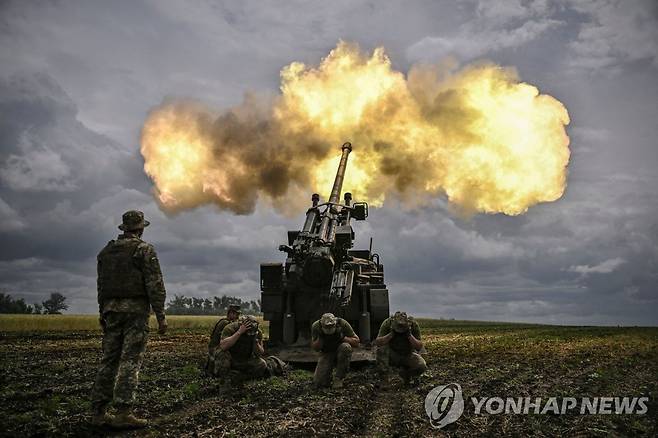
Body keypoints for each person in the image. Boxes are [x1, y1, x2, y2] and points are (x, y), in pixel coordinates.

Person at [91, 210, 167, 429]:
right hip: (135, 312)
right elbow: (155, 285)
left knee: (108, 361)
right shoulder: (144, 250)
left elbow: (101, 286)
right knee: (130, 360)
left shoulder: (105, 252)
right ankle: (123, 412)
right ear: (141, 228)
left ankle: (98, 412)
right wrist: (161, 317)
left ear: (124, 228)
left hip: (110, 311)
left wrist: (101, 313)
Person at [375, 311, 427, 386]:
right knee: (381, 350)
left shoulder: (413, 325)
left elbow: (419, 347)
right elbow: (378, 342)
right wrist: (391, 334)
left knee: (421, 365)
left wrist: (409, 335)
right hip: (392, 354)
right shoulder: (388, 323)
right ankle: (384, 380)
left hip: (407, 354)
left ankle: (407, 375)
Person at [311, 313, 360, 389]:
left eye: (331, 327)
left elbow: (356, 342)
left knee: (346, 347)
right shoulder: (316, 326)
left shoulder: (342, 323)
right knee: (319, 383)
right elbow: (316, 348)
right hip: (326, 352)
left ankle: (339, 377)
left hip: (340, 350)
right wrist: (320, 338)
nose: (329, 330)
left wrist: (343, 337)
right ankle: (327, 376)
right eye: (327, 328)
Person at [217, 315, 271, 383]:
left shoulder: (257, 332)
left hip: (245, 359)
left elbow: (260, 353)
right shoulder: (231, 328)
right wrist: (239, 332)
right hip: (231, 358)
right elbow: (223, 347)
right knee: (222, 356)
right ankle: (224, 378)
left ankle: (241, 377)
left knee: (262, 364)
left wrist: (256, 342)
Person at [206, 304, 241, 376]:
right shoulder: (225, 323)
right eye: (235, 314)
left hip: (218, 346)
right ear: (230, 313)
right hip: (216, 348)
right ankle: (220, 373)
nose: (237, 316)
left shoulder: (228, 322)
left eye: (238, 314)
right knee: (226, 354)